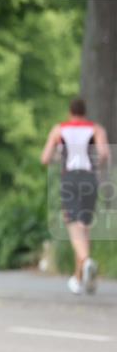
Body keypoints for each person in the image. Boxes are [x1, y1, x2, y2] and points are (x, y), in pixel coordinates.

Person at [40, 97, 110, 295]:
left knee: (73, 227)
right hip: (89, 178)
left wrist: (59, 156)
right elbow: (104, 154)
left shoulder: (59, 130)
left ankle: (86, 262)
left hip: (70, 178)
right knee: (84, 228)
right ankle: (80, 278)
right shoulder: (96, 129)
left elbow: (45, 158)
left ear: (70, 112)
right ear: (85, 111)